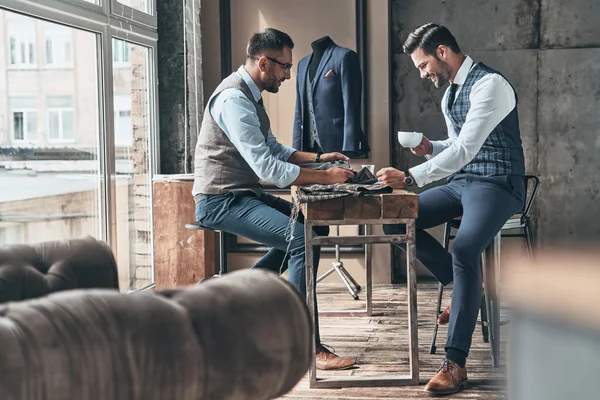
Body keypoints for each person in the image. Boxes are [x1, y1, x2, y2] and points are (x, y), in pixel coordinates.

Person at [192, 28, 356, 370]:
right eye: (284, 67)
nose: (288, 75)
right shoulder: (234, 99)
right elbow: (267, 167)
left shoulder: (250, 95)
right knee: (300, 239)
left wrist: (317, 159)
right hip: (220, 200)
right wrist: (326, 178)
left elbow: (273, 148)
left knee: (315, 229)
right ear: (264, 63)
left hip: (242, 193)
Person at [378, 23, 525, 395]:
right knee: (396, 219)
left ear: (443, 52)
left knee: (464, 247)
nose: (424, 74)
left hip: (497, 182)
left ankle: (455, 364)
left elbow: (467, 151)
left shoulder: (490, 86)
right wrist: (431, 147)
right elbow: (456, 146)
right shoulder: (449, 96)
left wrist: (411, 177)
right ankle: (465, 289)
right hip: (463, 183)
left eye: (424, 65)